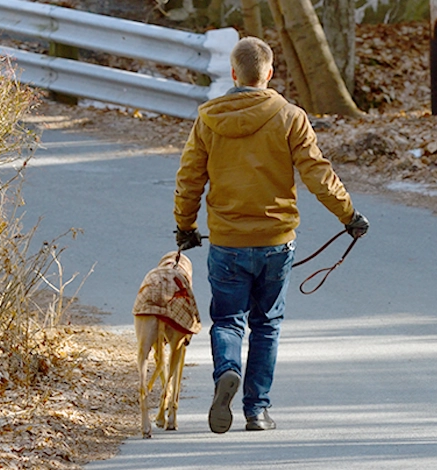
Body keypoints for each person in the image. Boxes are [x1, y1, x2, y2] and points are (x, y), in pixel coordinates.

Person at [173, 36, 369, 433]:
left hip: (227, 241)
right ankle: (257, 410)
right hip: (276, 242)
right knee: (267, 324)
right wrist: (348, 215)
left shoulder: (208, 118)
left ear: (233, 73)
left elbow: (190, 178)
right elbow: (317, 173)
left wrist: (186, 226)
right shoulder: (290, 116)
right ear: (270, 73)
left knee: (228, 319)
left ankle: (227, 371)